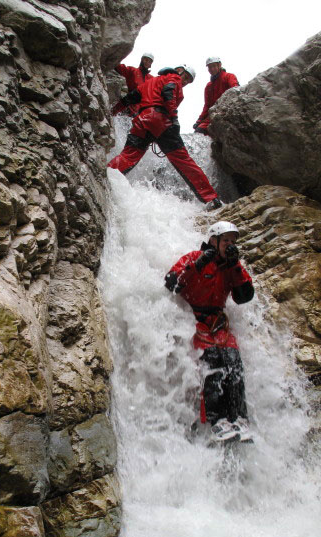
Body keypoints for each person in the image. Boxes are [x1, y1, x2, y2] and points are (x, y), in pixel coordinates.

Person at [164, 221, 254, 443]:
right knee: (212, 365)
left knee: (234, 366)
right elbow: (171, 284)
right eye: (226, 241)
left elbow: (244, 296)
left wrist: (235, 266)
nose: (230, 245)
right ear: (213, 241)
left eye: (233, 242)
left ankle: (239, 419)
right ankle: (218, 421)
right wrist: (198, 264)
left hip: (219, 323)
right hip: (196, 321)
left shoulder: (231, 266)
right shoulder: (194, 257)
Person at [108, 65, 222, 209]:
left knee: (129, 155)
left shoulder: (150, 83)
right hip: (161, 120)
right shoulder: (173, 78)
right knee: (183, 161)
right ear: (179, 71)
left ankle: (107, 174)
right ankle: (211, 198)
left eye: (188, 81)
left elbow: (128, 99)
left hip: (142, 120)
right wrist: (173, 118)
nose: (185, 82)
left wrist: (112, 112)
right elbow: (168, 92)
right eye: (186, 77)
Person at [193, 56, 239, 135]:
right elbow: (207, 105)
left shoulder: (229, 77)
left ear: (219, 65)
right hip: (212, 115)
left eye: (214, 66)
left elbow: (235, 90)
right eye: (210, 67)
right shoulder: (209, 86)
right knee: (199, 130)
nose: (212, 69)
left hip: (227, 112)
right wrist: (199, 120)